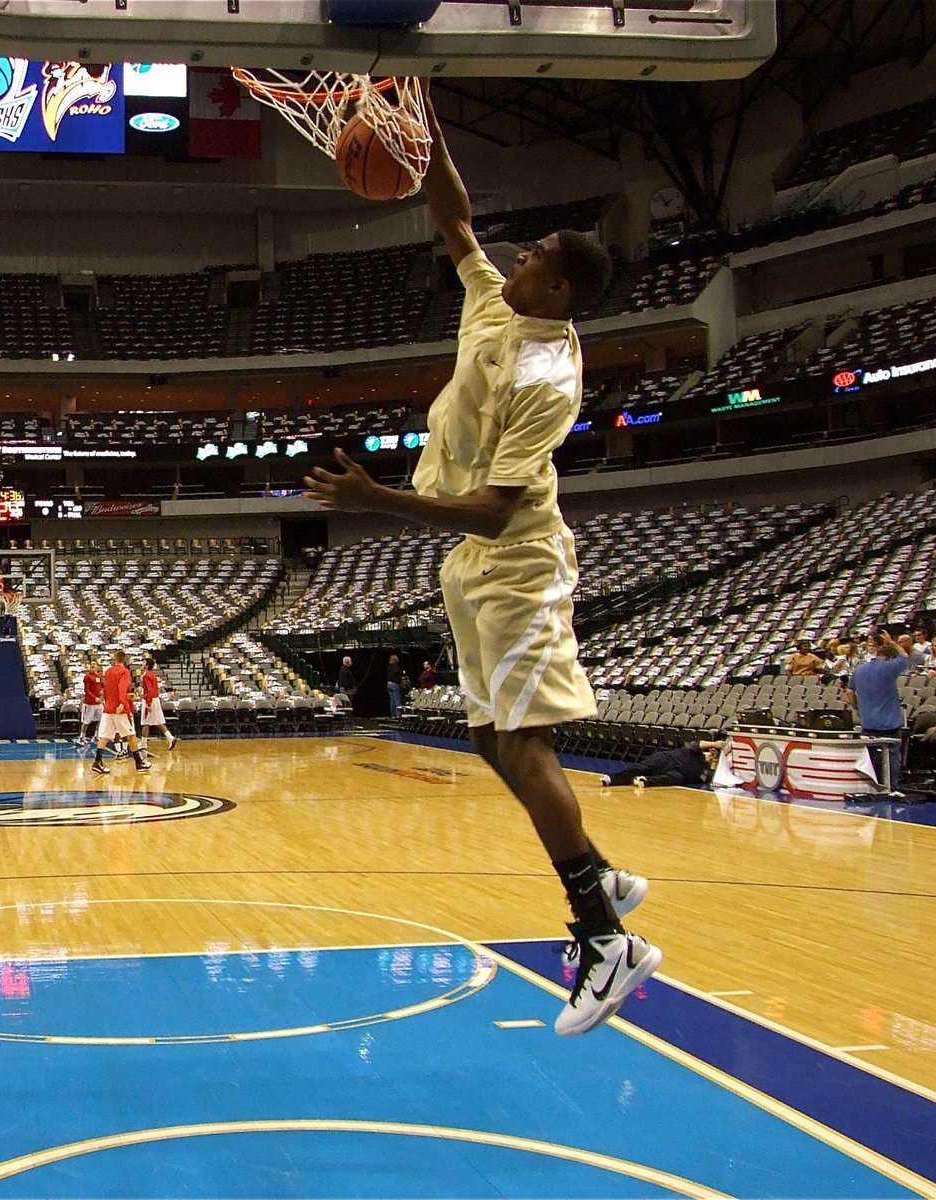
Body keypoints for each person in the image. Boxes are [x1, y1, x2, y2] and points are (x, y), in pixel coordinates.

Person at [303, 87, 658, 1037]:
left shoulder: (546, 376)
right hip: (471, 562)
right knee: (490, 742)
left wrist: (376, 501)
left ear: (560, 293)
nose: (517, 257)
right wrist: (420, 128)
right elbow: (455, 217)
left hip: (517, 558)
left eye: (535, 256)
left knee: (525, 745)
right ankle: (601, 874)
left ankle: (604, 939)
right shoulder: (497, 304)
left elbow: (499, 513)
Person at [845, 635, 908, 794]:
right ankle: (892, 788)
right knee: (892, 756)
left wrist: (857, 709)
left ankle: (872, 787)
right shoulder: (890, 667)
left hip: (868, 722)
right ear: (890, 658)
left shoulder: (859, 670)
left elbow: (849, 692)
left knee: (870, 757)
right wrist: (891, 641)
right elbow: (904, 656)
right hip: (890, 723)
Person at [91, 650, 150, 776]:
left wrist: (121, 698)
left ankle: (97, 762)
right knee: (131, 735)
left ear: (115, 659)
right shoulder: (124, 672)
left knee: (105, 736)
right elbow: (121, 688)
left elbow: (107, 690)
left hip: (108, 708)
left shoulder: (108, 671)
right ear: (125, 660)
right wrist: (123, 702)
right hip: (120, 709)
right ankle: (139, 762)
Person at [601, 740, 724, 789]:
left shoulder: (704, 771)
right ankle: (613, 779)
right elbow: (699, 743)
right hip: (667, 759)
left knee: (676, 778)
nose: (710, 756)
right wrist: (714, 744)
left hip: (678, 772)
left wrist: (711, 763)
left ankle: (646, 781)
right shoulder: (694, 752)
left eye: (713, 757)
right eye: (710, 753)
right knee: (642, 768)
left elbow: (712, 778)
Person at [140, 656, 178, 752]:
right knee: (157, 721)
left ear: (147, 665)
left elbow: (149, 690)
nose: (142, 664)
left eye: (143, 662)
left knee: (145, 722)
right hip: (155, 699)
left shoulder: (146, 675)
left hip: (150, 700)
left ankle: (143, 744)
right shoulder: (153, 674)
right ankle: (170, 737)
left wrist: (148, 704)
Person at [79, 659, 104, 745]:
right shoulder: (87, 676)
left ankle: (96, 736)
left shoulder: (99, 676)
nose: (92, 665)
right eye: (91, 664)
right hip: (89, 703)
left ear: (97, 666)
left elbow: (102, 687)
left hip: (98, 703)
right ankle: (81, 737)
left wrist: (102, 693)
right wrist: (94, 698)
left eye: (94, 664)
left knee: (101, 719)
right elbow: (87, 690)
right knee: (86, 721)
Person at [385, 654, 405, 719]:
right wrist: (402, 672)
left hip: (389, 684)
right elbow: (397, 672)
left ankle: (393, 715)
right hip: (394, 684)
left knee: (392, 700)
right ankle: (398, 715)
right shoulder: (395, 666)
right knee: (397, 700)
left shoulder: (389, 667)